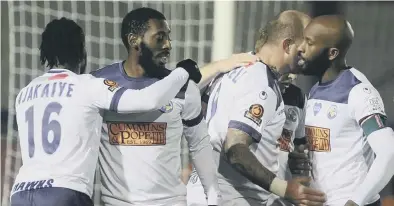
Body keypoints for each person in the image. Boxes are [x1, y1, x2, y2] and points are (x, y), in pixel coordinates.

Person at [10, 17, 201, 206]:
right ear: (82, 52)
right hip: (64, 191)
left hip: (20, 193)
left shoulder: (25, 93)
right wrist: (182, 72)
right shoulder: (87, 86)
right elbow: (147, 100)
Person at [91, 7, 258, 206]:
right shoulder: (98, 83)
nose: (168, 45)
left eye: (168, 37)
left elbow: (199, 146)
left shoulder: (184, 89)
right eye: (160, 38)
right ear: (133, 40)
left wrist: (214, 197)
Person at [187, 10, 326, 206]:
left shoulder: (233, 71)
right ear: (287, 45)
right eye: (303, 50)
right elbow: (235, 149)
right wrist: (285, 189)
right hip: (230, 197)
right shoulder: (261, 83)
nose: (307, 57)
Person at [294, 15, 394, 206]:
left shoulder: (358, 92)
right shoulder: (316, 90)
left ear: (332, 53)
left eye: (309, 42)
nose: (301, 48)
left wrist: (355, 201)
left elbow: (389, 152)